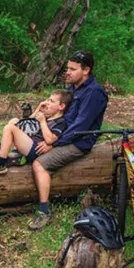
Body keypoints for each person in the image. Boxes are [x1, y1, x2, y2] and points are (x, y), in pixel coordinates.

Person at [28, 51, 108, 230]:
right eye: (67, 68)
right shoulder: (72, 89)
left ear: (86, 70)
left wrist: (53, 143)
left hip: (78, 142)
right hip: (60, 134)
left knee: (39, 164)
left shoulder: (94, 92)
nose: (68, 72)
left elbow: (80, 127)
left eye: (73, 69)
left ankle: (43, 211)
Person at [0, 89, 72, 175]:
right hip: (29, 143)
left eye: (51, 101)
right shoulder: (48, 116)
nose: (47, 102)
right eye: (48, 99)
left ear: (61, 106)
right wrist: (38, 109)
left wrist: (43, 121)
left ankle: (0, 163)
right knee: (14, 121)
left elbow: (50, 140)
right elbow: (28, 124)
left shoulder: (61, 122)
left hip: (36, 150)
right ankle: (2, 151)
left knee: (10, 128)